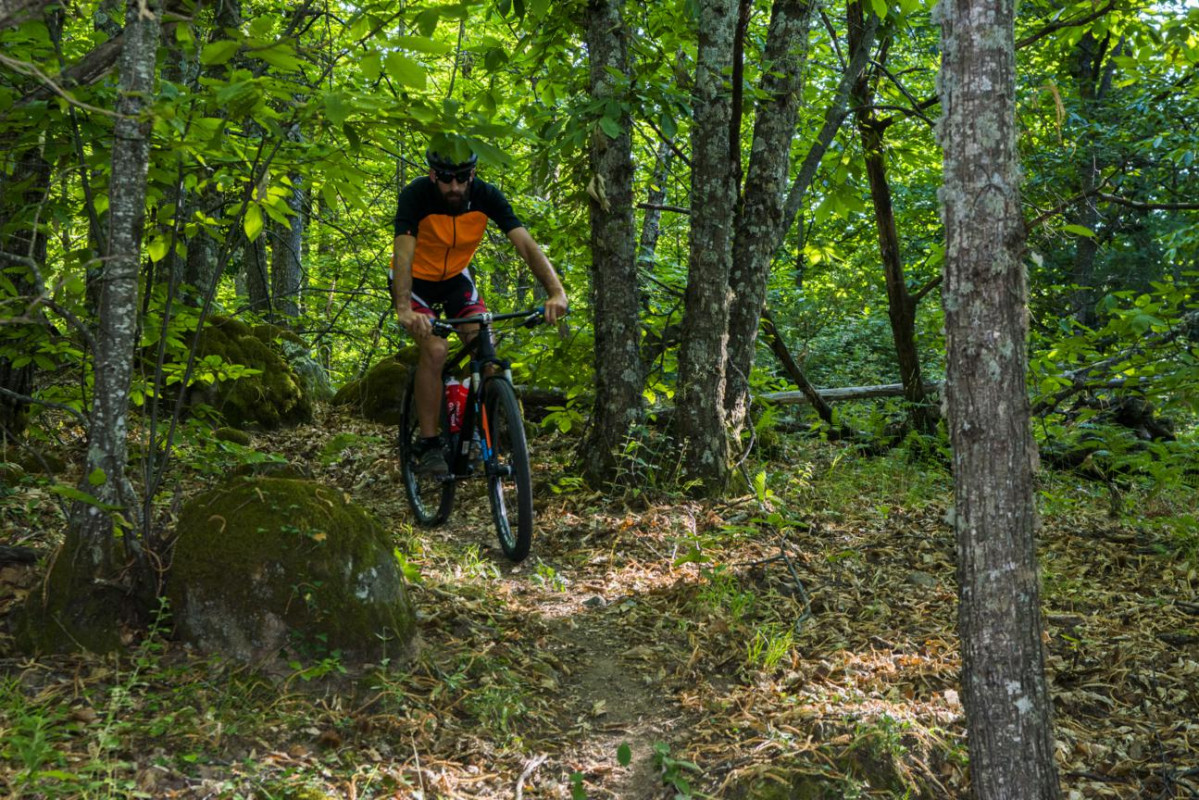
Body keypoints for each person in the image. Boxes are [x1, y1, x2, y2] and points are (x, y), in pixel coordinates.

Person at [391, 147, 568, 475]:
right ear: (433, 175)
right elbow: (402, 253)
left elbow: (526, 246)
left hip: (457, 279)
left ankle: (477, 429)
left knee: (486, 346)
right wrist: (404, 308)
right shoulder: (416, 196)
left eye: (462, 178)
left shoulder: (486, 196)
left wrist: (556, 292)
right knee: (436, 348)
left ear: (472, 175)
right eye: (445, 178)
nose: (454, 186)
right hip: (415, 281)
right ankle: (429, 444)